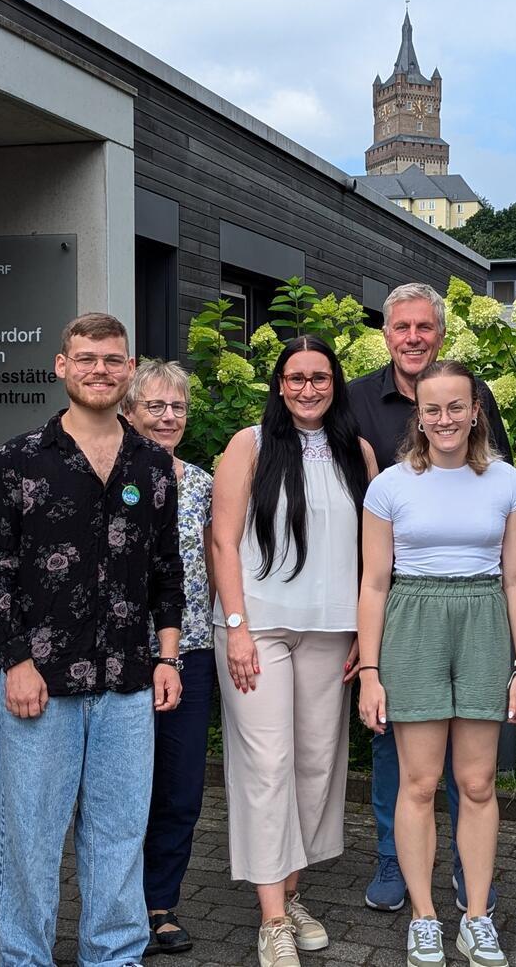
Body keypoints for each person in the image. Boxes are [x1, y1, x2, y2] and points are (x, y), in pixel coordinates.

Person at [0, 312, 184, 967]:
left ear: (128, 370)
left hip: (127, 680)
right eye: (86, 357)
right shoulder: (17, 460)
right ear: (62, 366)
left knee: (119, 833)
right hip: (41, 681)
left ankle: (114, 955)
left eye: (112, 359)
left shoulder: (152, 464)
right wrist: (15, 661)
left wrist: (168, 655)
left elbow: (165, 568)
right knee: (29, 836)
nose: (100, 368)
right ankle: (24, 956)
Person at [356, 360, 516, 967]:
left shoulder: (508, 482)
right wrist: (371, 672)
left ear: (475, 409)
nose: (445, 419)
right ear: (419, 415)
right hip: (414, 622)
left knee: (478, 783)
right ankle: (425, 917)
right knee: (417, 782)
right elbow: (375, 584)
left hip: (484, 620)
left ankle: (476, 917)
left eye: (456, 406)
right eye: (432, 409)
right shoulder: (390, 486)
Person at [210, 334, 377, 967]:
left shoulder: (355, 452)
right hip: (260, 631)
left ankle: (291, 890)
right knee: (267, 764)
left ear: (335, 383)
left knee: (315, 766)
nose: (308, 387)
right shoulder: (248, 445)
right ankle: (272, 918)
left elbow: (373, 553)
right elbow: (223, 543)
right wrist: (236, 625)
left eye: (319, 377)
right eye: (295, 377)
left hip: (332, 632)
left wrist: (366, 633)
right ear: (279, 385)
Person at [347, 282, 511, 915]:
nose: (412, 336)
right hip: (391, 597)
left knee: (471, 767)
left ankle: (469, 874)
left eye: (424, 327)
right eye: (401, 327)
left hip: (469, 607)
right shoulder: (358, 399)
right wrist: (364, 640)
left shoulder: (477, 396)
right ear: (386, 334)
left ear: (439, 334)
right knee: (396, 745)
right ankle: (396, 861)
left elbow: (492, 489)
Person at [126, 360, 214, 957]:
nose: (167, 417)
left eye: (177, 407)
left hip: (194, 650)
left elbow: (217, 563)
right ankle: (118, 904)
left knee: (180, 786)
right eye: (155, 406)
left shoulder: (204, 483)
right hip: (122, 657)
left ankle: (161, 904)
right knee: (122, 786)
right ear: (130, 413)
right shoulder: (113, 476)